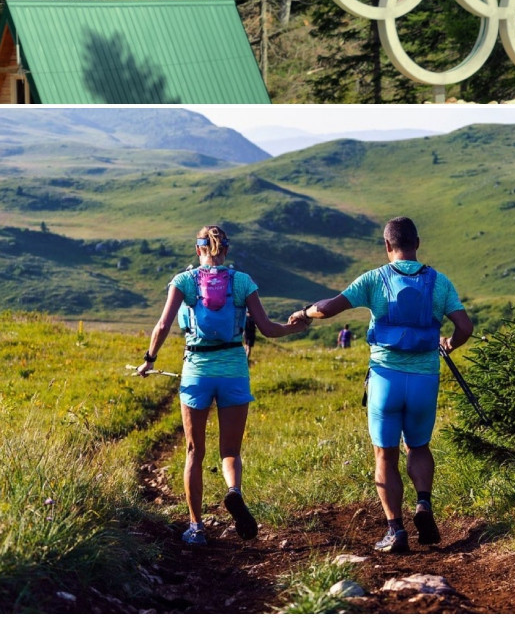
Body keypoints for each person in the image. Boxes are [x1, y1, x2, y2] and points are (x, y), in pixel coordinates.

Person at [289, 217, 472, 553]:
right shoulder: (440, 282)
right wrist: (449, 342)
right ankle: (424, 505)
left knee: (384, 455)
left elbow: (329, 308)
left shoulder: (374, 278)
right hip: (424, 380)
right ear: (417, 242)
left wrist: (305, 312)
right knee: (418, 447)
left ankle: (395, 531)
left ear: (387, 246)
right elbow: (465, 326)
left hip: (385, 380)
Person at [138, 225, 309, 545]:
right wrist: (293, 328)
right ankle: (233, 491)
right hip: (233, 370)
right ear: (226, 250)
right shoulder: (242, 281)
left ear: (197, 249)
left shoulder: (184, 281)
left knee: (194, 451)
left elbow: (162, 325)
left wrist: (149, 359)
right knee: (230, 451)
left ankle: (196, 527)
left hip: (197, 371)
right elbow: (268, 329)